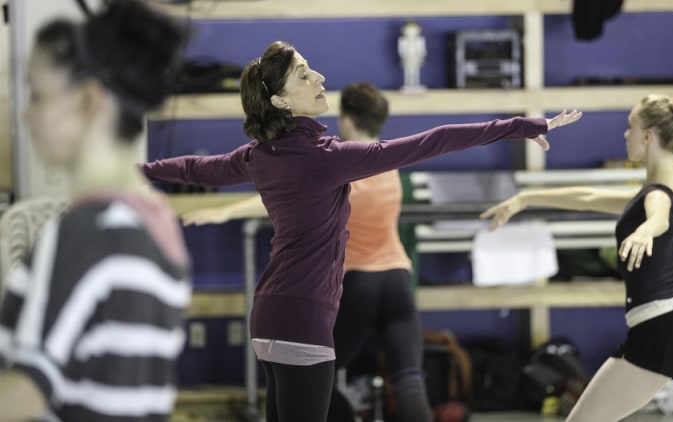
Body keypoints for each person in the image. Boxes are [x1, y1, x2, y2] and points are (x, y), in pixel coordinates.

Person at [140, 40, 582, 422]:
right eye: (304, 74)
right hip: (303, 319)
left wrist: (135, 171)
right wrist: (524, 125)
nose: (320, 77)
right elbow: (436, 140)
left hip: (269, 315)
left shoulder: (260, 155)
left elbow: (195, 168)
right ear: (279, 101)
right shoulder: (327, 156)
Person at [481, 94, 673, 421]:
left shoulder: (658, 192)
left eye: (630, 127)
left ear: (648, 135)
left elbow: (659, 214)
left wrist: (645, 231)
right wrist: (526, 198)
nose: (625, 135)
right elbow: (589, 197)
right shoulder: (664, 185)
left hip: (662, 325)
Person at [180, 82, 434, 421]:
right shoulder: (390, 167)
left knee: (312, 375)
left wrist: (223, 211)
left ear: (347, 118)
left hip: (359, 285)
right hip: (399, 280)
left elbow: (284, 193)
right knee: (409, 380)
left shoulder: (344, 166)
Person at [0, 1, 190, 421]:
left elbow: (26, 391)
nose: (27, 115)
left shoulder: (88, 232)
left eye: (37, 93)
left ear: (88, 101)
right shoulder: (156, 224)